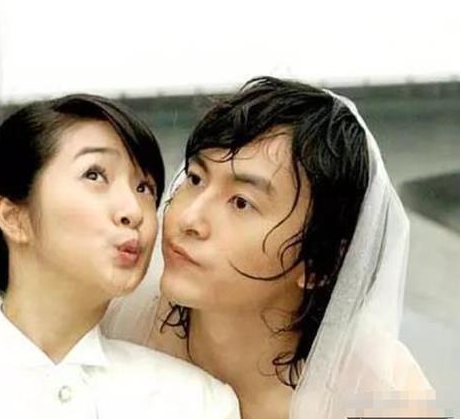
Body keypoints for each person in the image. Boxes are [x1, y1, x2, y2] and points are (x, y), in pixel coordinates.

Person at [0, 95, 240, 419]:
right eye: (95, 175)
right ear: (14, 217)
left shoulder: (196, 403)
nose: (134, 210)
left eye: (145, 187)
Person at [102, 77, 434, 419]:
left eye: (241, 202)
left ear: (320, 265)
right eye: (196, 179)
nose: (188, 218)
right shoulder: (112, 318)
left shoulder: (383, 395)